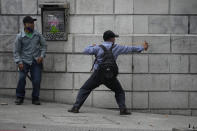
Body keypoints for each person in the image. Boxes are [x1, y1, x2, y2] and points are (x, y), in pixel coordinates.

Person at [68, 30, 148, 115]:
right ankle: (123, 109)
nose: (115, 39)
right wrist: (143, 47)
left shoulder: (98, 48)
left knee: (85, 89)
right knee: (119, 91)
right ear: (111, 39)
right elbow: (130, 49)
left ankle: (76, 107)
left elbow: (86, 50)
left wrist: (92, 45)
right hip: (110, 76)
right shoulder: (117, 47)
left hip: (98, 75)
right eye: (114, 37)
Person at [13, 16, 47, 105]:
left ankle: (35, 98)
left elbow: (44, 46)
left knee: (36, 80)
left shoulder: (37, 35)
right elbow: (16, 51)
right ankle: (20, 97)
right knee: (21, 78)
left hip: (36, 61)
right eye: (30, 23)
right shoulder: (20, 36)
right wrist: (19, 62)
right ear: (25, 24)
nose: (32, 25)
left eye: (33, 23)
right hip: (24, 61)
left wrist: (42, 56)